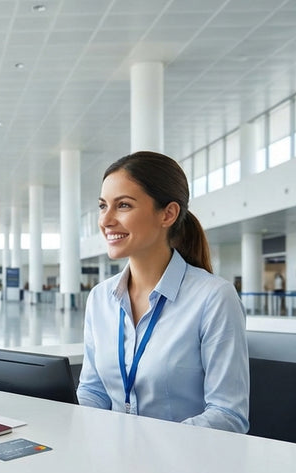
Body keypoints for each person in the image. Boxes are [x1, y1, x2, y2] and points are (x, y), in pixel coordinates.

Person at [76, 151, 249, 432]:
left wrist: (147, 447)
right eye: (102, 205)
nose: (105, 220)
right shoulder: (100, 298)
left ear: (168, 214)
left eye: (123, 206)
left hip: (184, 466)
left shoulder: (214, 297)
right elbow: (93, 392)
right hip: (113, 462)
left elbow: (229, 415)